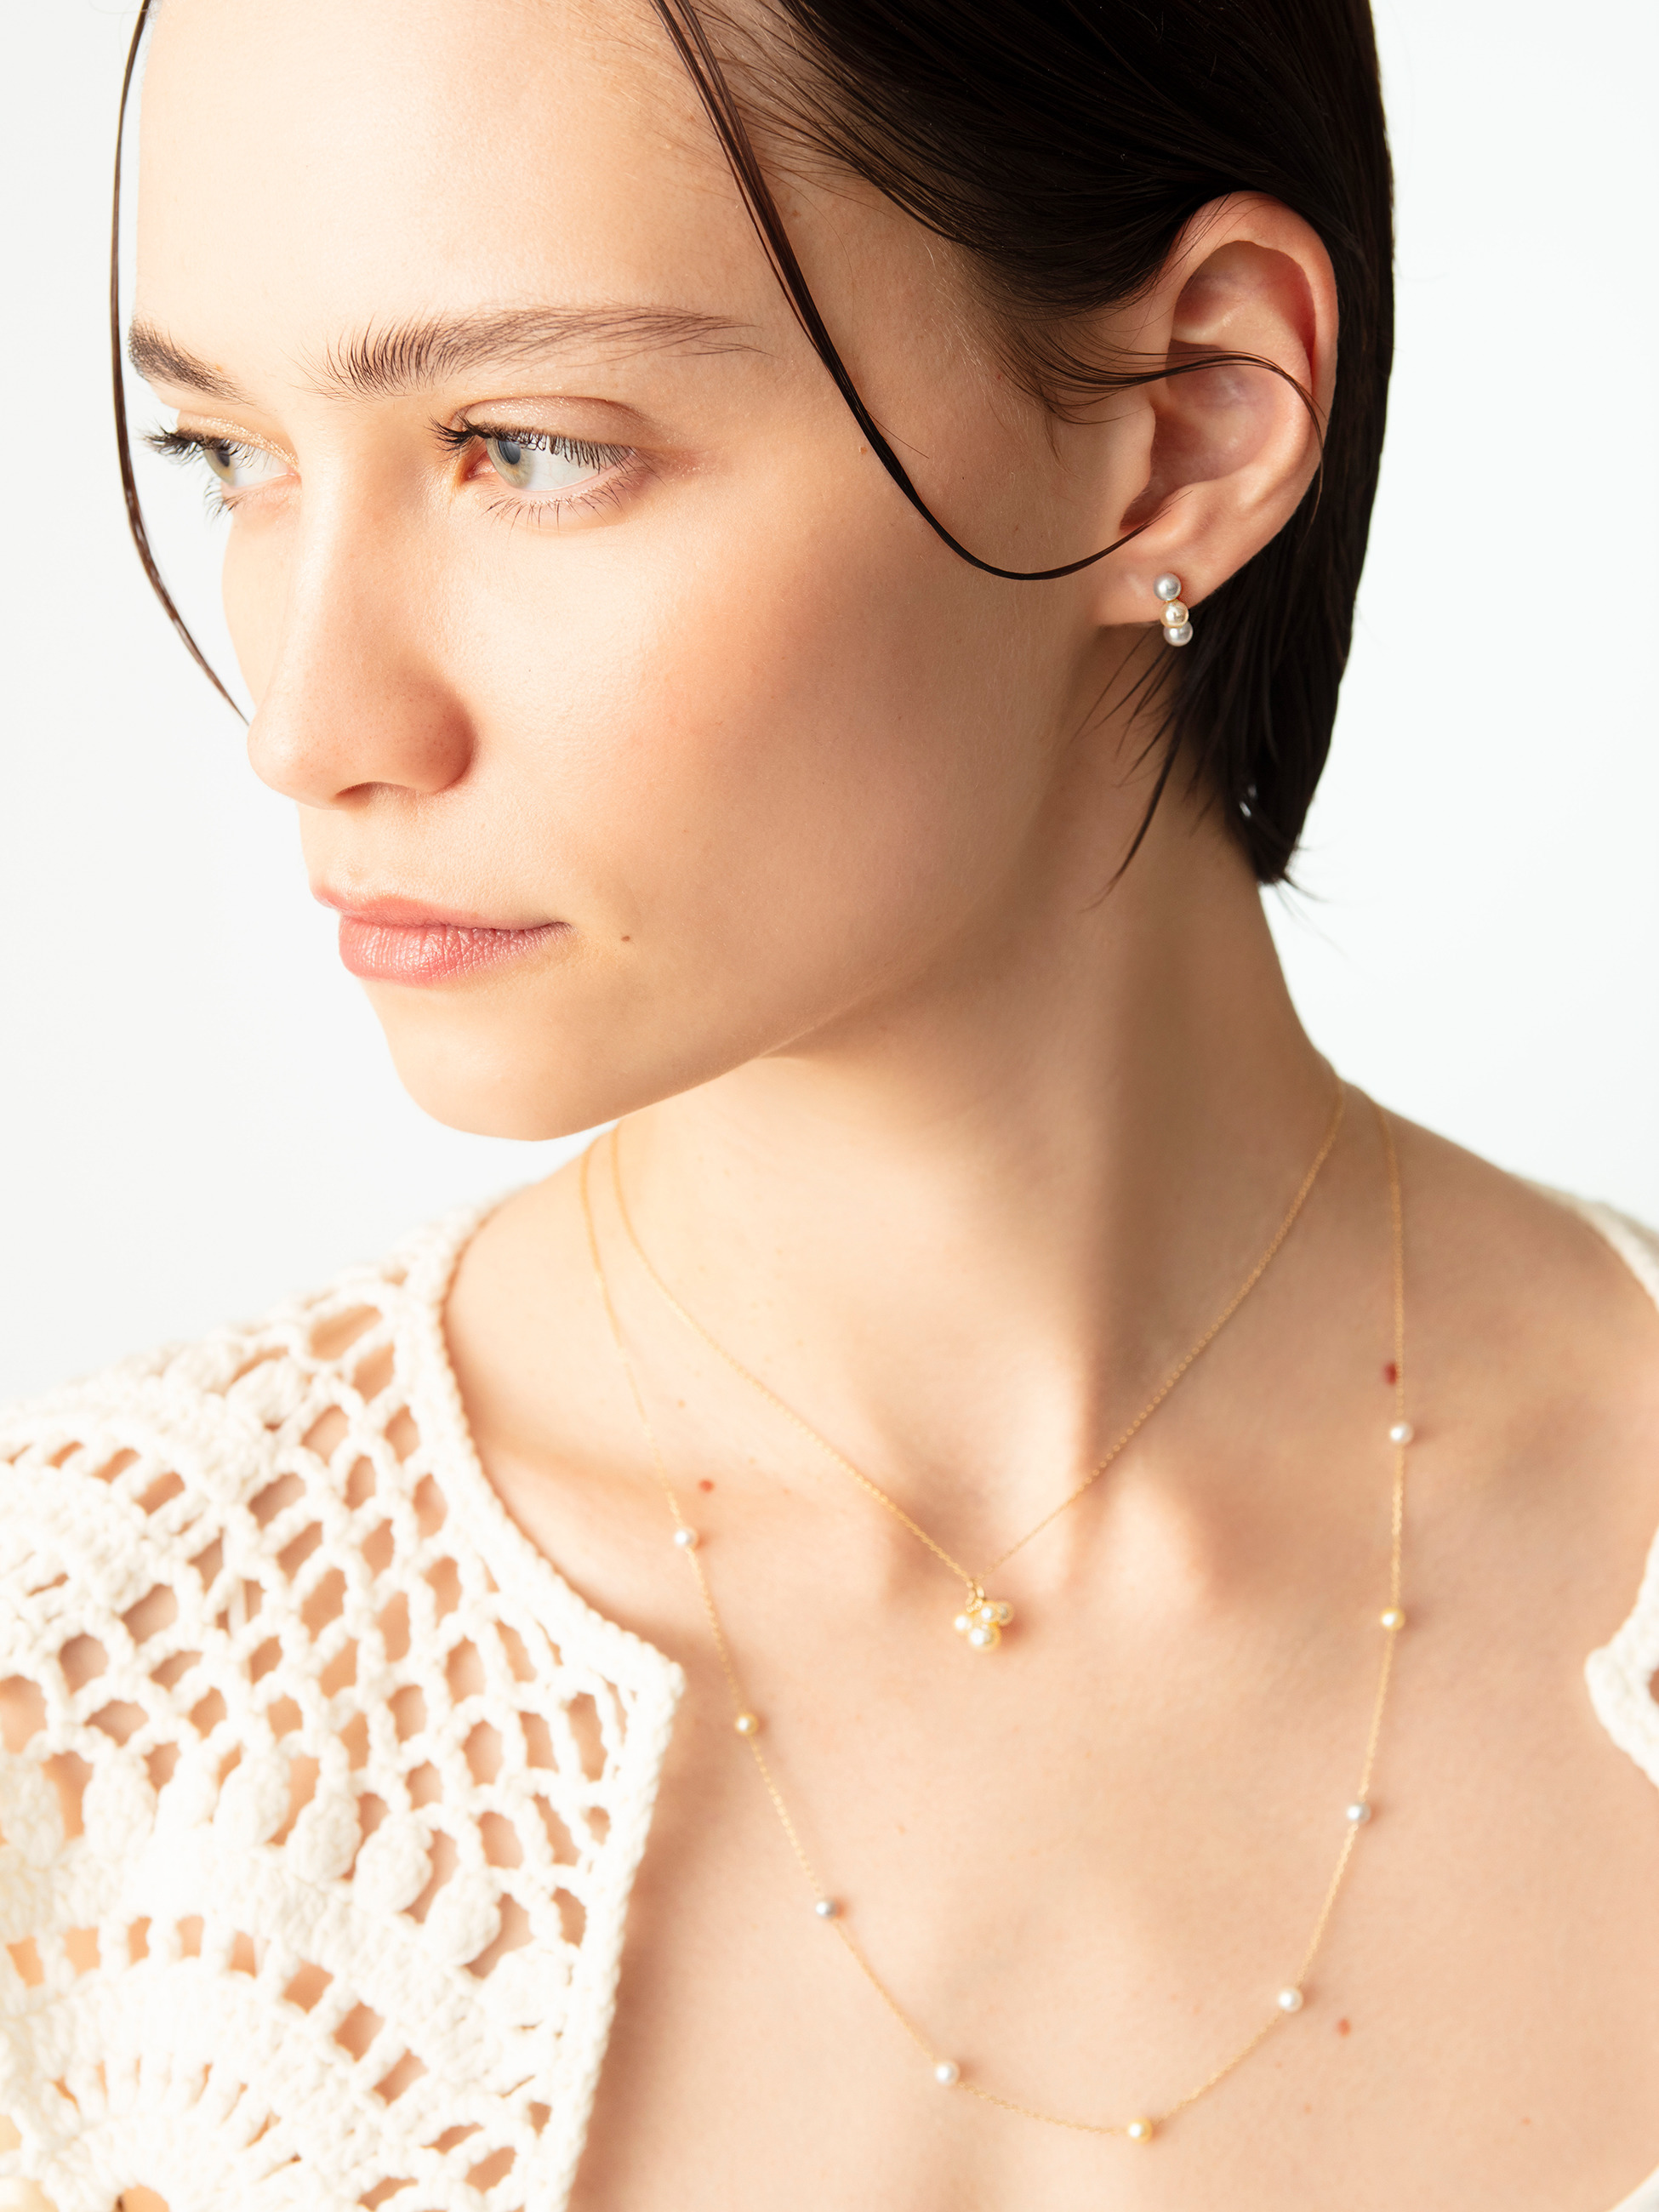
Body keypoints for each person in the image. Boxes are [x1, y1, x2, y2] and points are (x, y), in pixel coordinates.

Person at [3, 0, 1656, 2206]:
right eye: (233, 456)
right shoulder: (80, 1707)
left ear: (1185, 428)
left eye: (529, 447)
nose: (307, 726)